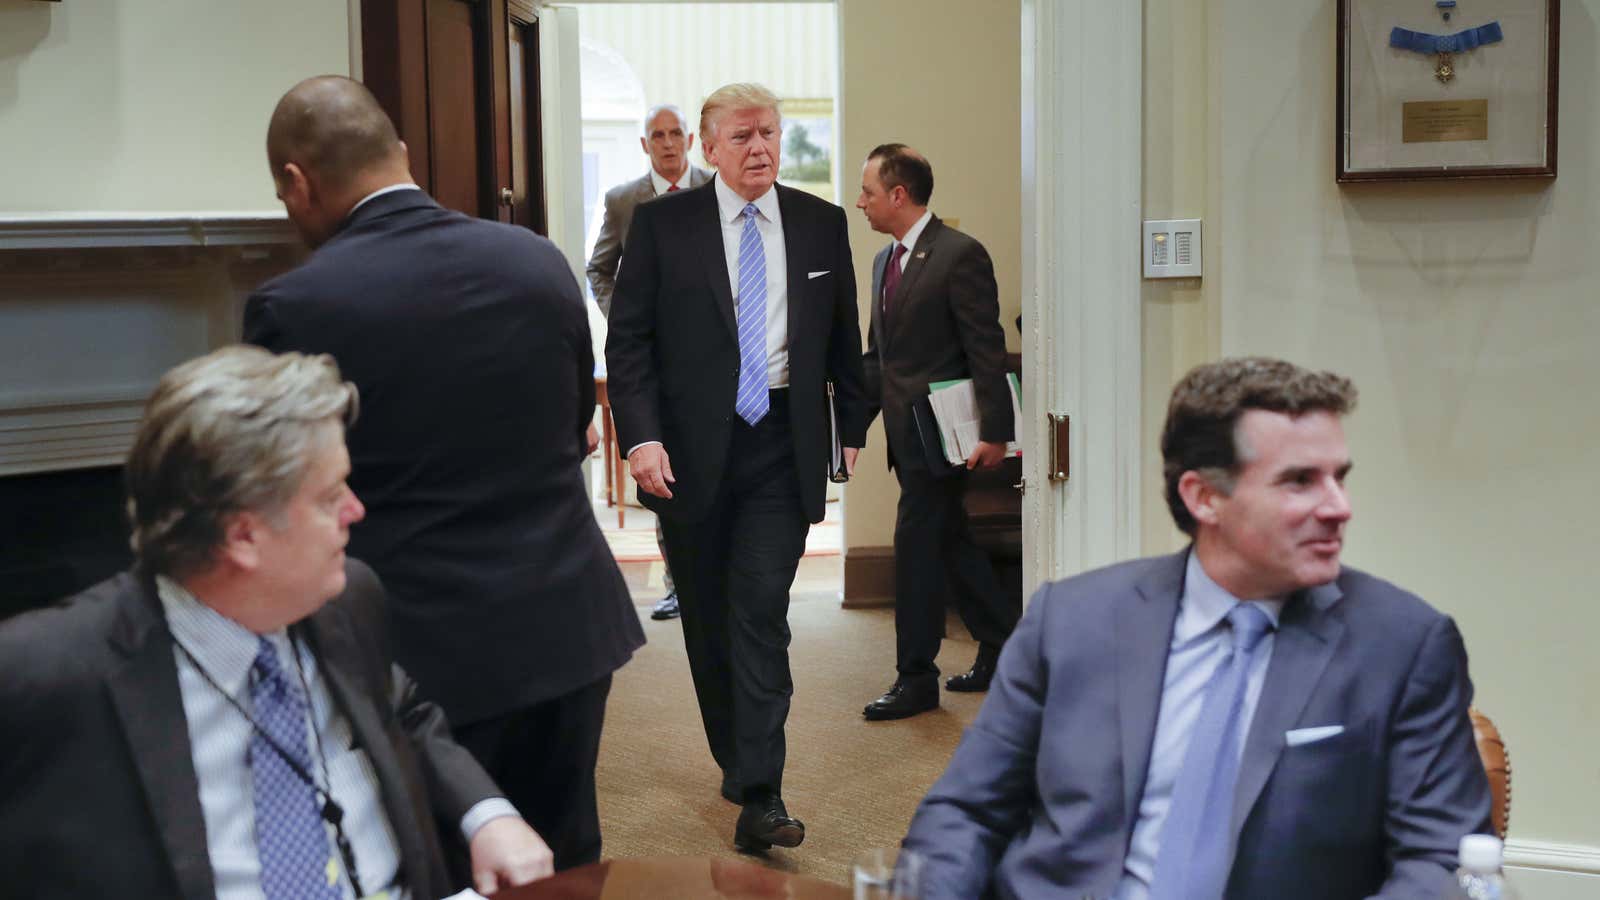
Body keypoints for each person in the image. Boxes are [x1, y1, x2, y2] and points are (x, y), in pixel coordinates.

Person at [902, 357, 1492, 899]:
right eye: (1300, 481)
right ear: (1205, 497)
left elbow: (1440, 860)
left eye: (1339, 476)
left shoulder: (1404, 644)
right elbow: (964, 813)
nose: (1339, 506)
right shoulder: (1072, 621)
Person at [243, 75, 643, 871]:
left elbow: (289, 491)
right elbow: (574, 427)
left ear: (296, 181)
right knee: (562, 860)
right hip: (567, 623)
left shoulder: (294, 305)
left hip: (419, 656)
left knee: (435, 867)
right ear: (402, 155)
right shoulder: (537, 261)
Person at [0, 346, 554, 898]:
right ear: (243, 536)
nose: (356, 510)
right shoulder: (49, 673)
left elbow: (399, 710)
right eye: (331, 496)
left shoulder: (347, 599)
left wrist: (486, 815)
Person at [605, 82, 869, 852]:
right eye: (744, 136)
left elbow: (845, 337)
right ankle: (737, 754)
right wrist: (641, 439)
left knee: (759, 609)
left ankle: (763, 793)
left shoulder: (820, 225)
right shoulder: (661, 227)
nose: (761, 148)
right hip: (688, 453)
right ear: (709, 147)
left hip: (781, 446)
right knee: (711, 619)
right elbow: (631, 345)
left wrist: (849, 425)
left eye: (772, 134)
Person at [853, 143, 1020, 721]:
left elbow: (985, 348)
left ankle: (915, 677)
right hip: (906, 436)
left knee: (916, 548)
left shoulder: (959, 254)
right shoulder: (882, 262)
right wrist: (851, 431)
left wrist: (996, 433)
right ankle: (1004, 643)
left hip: (945, 437)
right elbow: (880, 359)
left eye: (868, 192)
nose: (860, 202)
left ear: (899, 195)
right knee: (951, 542)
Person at [586, 103, 712, 622]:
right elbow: (599, 269)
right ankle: (679, 581)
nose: (667, 142)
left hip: (713, 352)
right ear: (645, 145)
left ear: (690, 139)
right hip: (654, 357)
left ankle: (716, 575)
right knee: (666, 463)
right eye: (656, 135)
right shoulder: (623, 201)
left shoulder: (714, 187)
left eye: (675, 133)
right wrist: (630, 319)